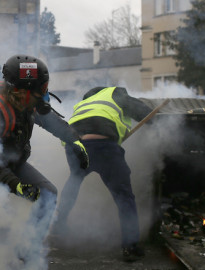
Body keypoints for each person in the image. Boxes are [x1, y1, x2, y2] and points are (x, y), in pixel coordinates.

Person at [0, 54, 89, 263]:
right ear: (20, 92)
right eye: (39, 92)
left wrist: (74, 141)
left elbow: (50, 120)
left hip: (10, 161)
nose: (42, 97)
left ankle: (27, 254)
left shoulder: (26, 101)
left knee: (48, 194)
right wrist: (17, 186)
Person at [53, 86, 153, 262]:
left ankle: (58, 230)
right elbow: (145, 113)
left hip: (74, 147)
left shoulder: (83, 104)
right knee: (124, 195)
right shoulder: (115, 94)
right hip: (104, 147)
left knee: (74, 181)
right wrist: (158, 123)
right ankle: (130, 246)